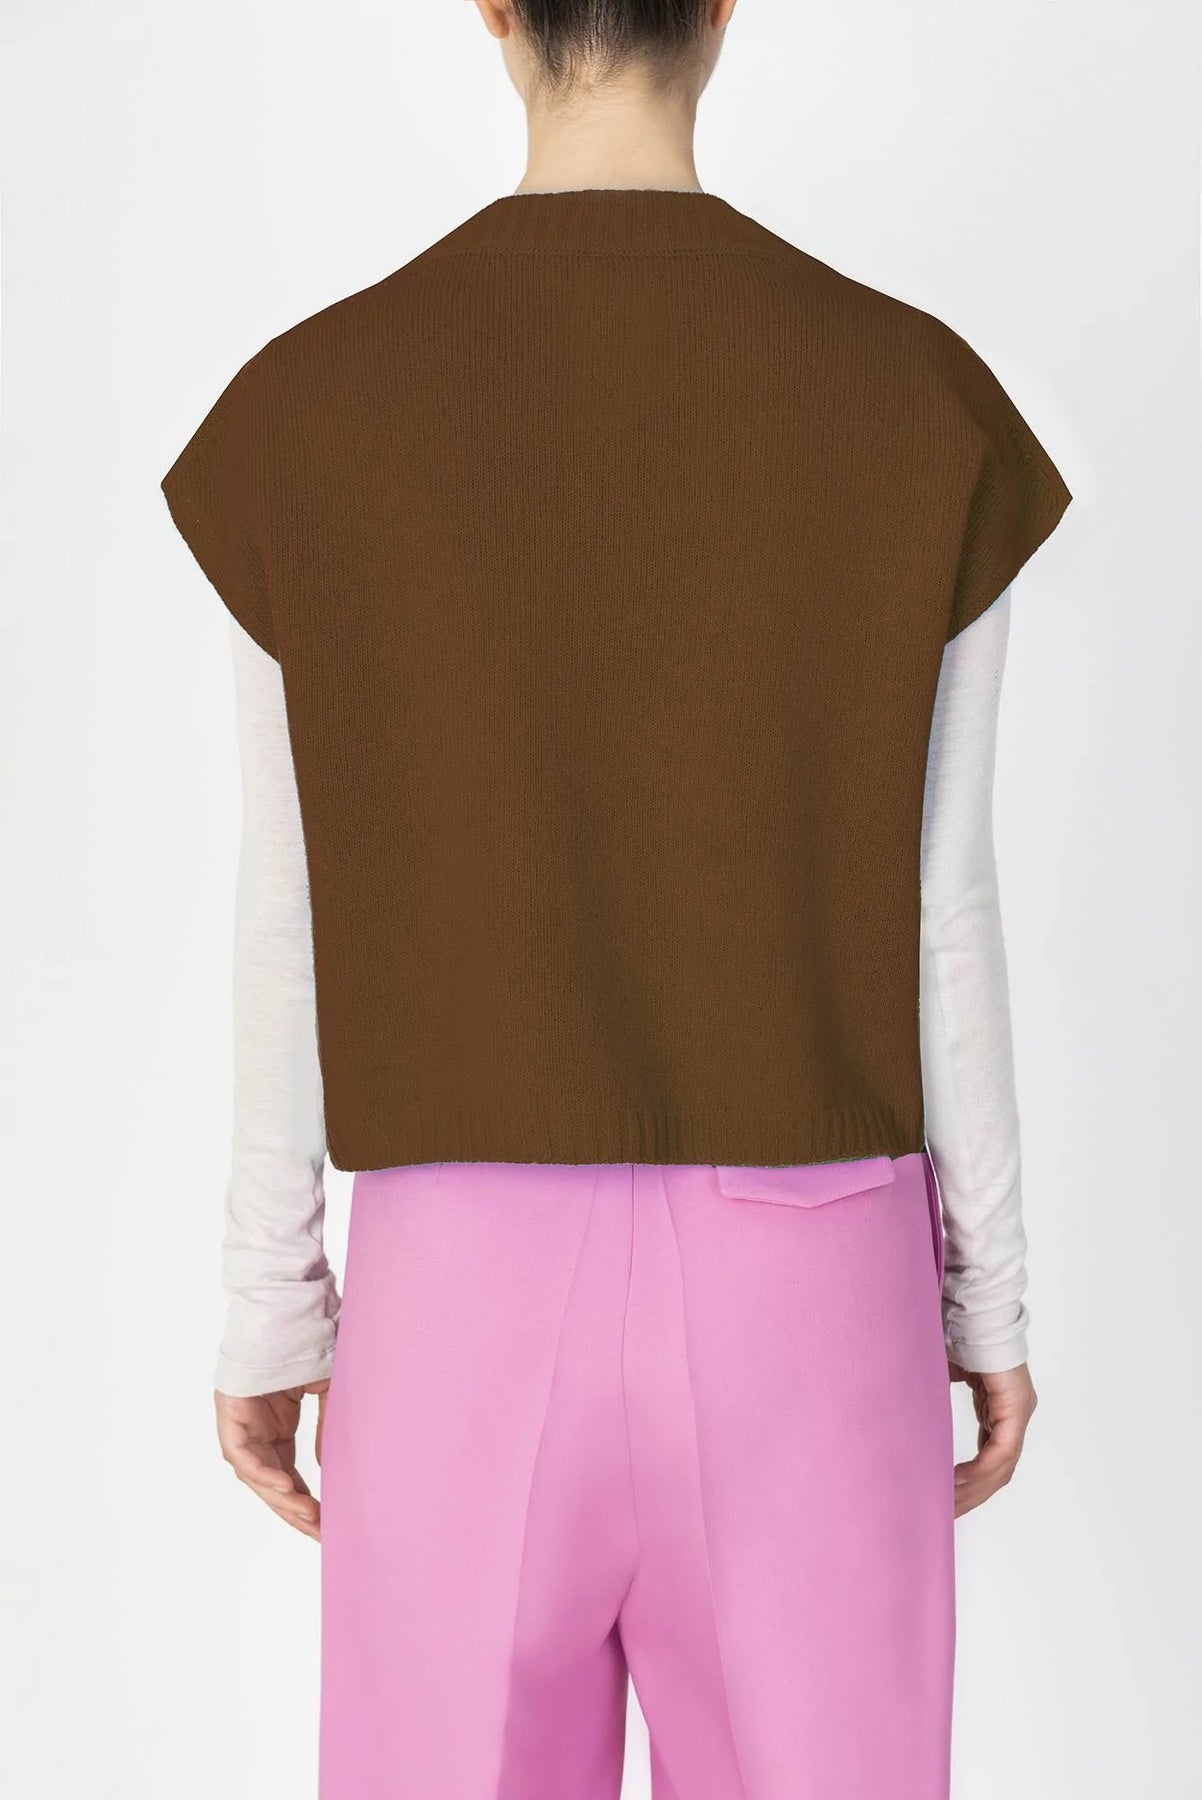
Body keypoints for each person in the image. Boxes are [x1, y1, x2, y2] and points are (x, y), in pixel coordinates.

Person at [159, 3, 1072, 1795]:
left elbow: (292, 906)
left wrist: (274, 1302)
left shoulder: (314, 406)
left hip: (457, 1291)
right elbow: (940, 914)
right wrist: (988, 1303)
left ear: (493, 10)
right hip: (813, 1283)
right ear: (720, 9)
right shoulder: (915, 399)